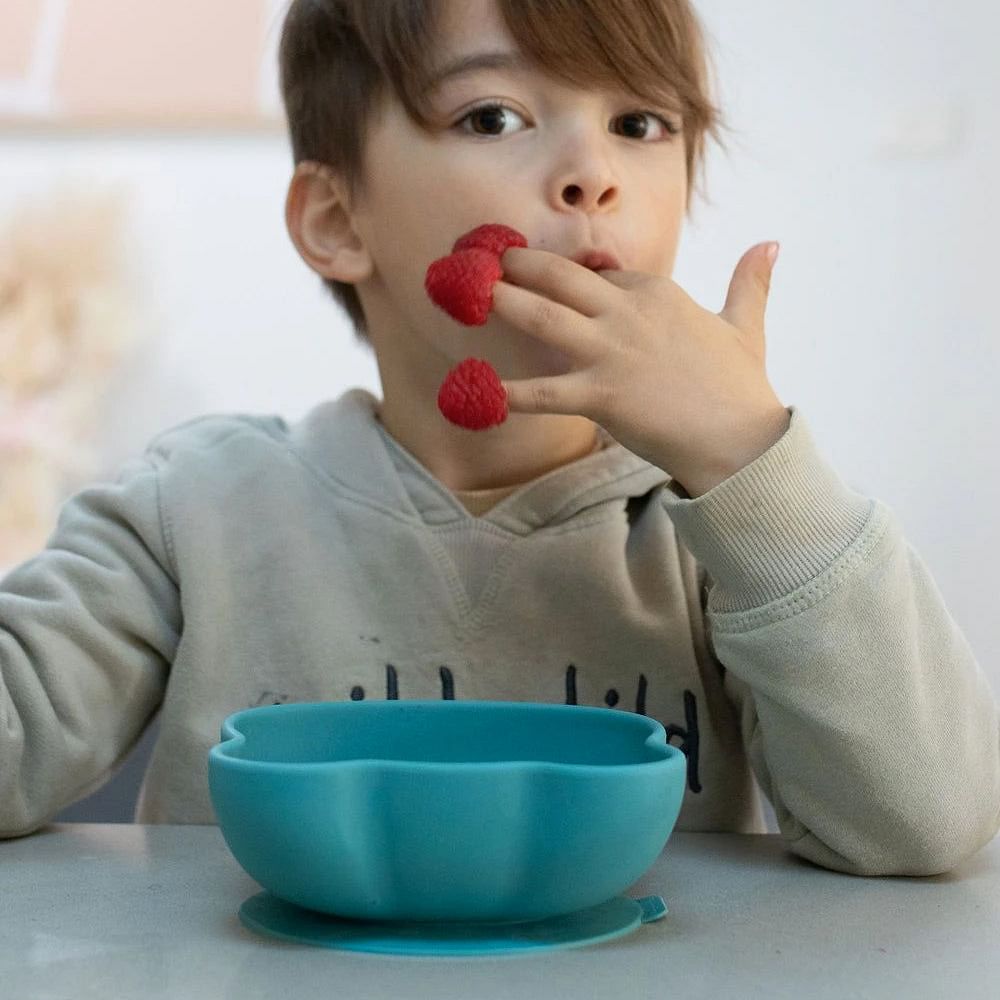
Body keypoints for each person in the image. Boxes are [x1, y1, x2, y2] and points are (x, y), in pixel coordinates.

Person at [1, 0, 997, 877]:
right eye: (493, 116)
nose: (590, 173)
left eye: (638, 122)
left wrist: (747, 456)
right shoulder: (193, 509)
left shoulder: (729, 538)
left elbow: (924, 827)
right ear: (339, 219)